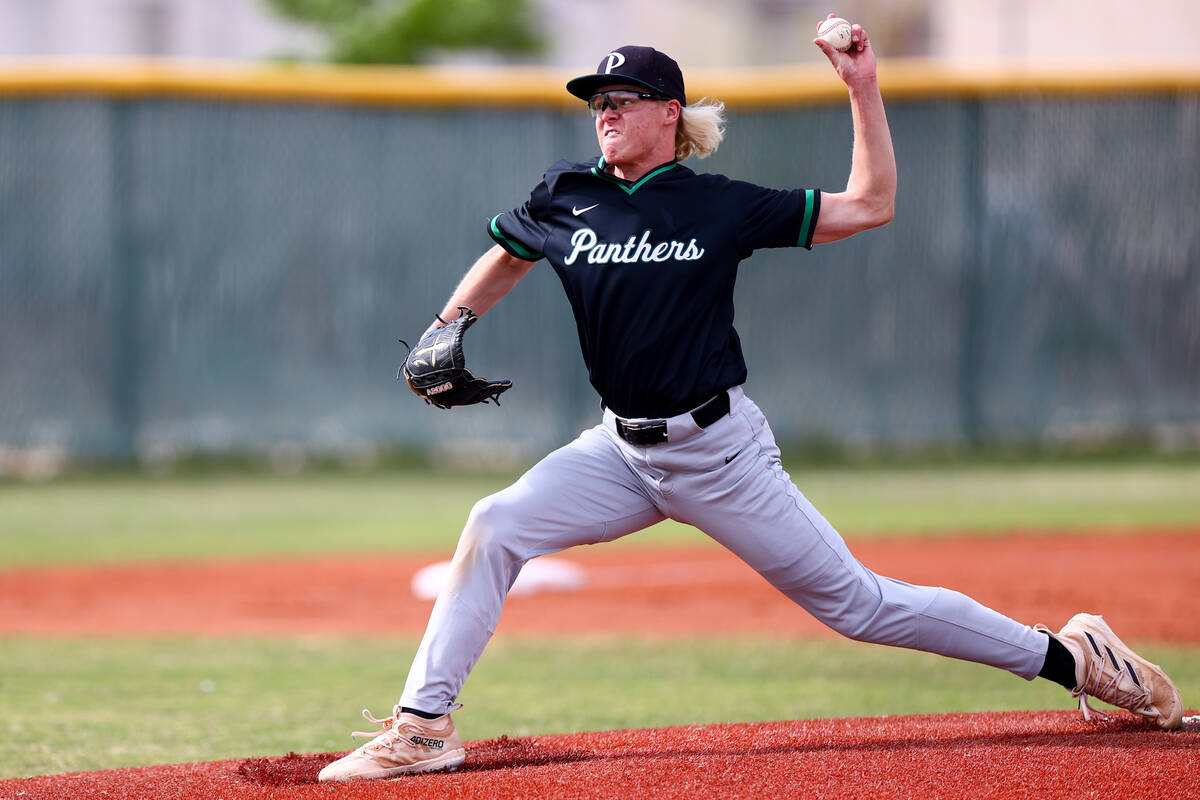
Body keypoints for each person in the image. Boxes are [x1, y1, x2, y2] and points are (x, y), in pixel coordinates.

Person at [317, 16, 1183, 783]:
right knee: (494, 524)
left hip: (717, 454)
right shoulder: (566, 193)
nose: (606, 110)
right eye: (598, 100)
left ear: (671, 114)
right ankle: (423, 728)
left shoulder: (719, 206)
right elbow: (511, 248)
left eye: (626, 96)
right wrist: (449, 320)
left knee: (861, 606)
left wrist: (864, 87)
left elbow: (871, 205)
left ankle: (1074, 659)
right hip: (619, 452)